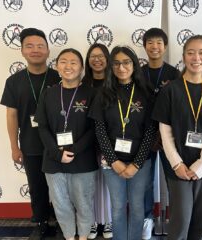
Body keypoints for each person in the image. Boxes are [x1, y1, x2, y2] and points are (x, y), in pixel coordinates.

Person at [152, 35, 202, 240]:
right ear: (183, 56)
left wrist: (201, 164)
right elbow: (165, 132)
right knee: (180, 221)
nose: (196, 58)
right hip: (178, 168)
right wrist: (177, 164)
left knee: (200, 223)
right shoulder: (170, 90)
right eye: (191, 52)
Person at [88, 46, 156, 240]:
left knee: (136, 207)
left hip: (140, 162)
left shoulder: (147, 92)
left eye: (126, 62)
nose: (121, 67)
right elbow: (99, 131)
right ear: (111, 66)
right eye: (116, 63)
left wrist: (136, 164)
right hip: (112, 163)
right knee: (117, 208)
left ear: (134, 64)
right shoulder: (103, 93)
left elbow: (151, 131)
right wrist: (114, 161)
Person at [0, 28, 60, 237]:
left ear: (48, 50)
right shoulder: (14, 81)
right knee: (37, 186)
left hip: (59, 144)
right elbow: (11, 116)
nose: (36, 50)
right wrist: (14, 146)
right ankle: (41, 221)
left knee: (62, 186)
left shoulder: (59, 77)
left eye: (40, 46)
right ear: (22, 51)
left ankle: (63, 221)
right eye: (30, 46)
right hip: (30, 143)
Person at [35, 48, 97, 240]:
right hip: (53, 160)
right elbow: (42, 126)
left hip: (83, 159)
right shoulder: (49, 93)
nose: (68, 66)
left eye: (73, 62)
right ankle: (69, 237)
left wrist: (74, 150)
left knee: (84, 203)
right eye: (63, 61)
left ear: (81, 68)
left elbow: (95, 128)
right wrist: (56, 152)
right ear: (56, 65)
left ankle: (84, 236)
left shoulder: (92, 93)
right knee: (61, 204)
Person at [141, 27, 180, 240]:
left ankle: (172, 219)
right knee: (146, 182)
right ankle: (148, 220)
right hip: (144, 135)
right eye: (150, 43)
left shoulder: (174, 73)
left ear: (164, 47)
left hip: (167, 135)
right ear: (145, 46)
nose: (154, 47)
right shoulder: (138, 73)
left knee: (173, 180)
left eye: (159, 43)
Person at [83, 43, 113, 240]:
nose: (97, 59)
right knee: (90, 184)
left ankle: (108, 220)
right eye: (93, 56)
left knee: (110, 183)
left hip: (110, 141)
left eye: (101, 56)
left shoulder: (114, 83)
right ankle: (93, 221)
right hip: (85, 140)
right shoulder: (82, 83)